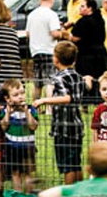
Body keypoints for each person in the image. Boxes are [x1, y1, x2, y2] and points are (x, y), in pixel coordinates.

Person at [33, 41, 85, 186]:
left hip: (63, 128)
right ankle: (80, 191)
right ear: (74, 60)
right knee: (76, 162)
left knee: (66, 165)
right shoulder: (78, 77)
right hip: (77, 125)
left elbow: (67, 97)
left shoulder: (59, 78)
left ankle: (67, 195)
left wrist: (44, 100)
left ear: (55, 59)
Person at [0, 80, 38, 195]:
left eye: (22, 93)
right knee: (15, 172)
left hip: (28, 147)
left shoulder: (30, 109)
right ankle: (18, 193)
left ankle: (30, 193)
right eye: (16, 95)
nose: (20, 97)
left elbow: (33, 126)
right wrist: (8, 114)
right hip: (12, 147)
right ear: (8, 99)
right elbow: (4, 126)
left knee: (28, 172)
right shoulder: (6, 111)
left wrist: (26, 112)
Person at [69, 0, 107, 84]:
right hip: (101, 55)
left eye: (83, 6)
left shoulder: (84, 21)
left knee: (86, 81)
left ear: (90, 8)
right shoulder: (100, 19)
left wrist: (65, 35)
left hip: (86, 57)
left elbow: (76, 38)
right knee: (99, 80)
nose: (80, 8)